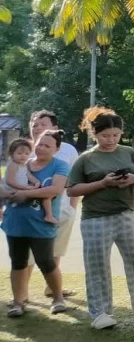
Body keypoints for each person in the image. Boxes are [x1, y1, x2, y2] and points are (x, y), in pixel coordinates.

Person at [66, 107, 134, 330]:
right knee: (97, 266)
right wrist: (102, 183)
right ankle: (100, 312)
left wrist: (132, 178)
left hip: (125, 214)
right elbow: (72, 190)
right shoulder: (86, 159)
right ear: (94, 134)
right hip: (95, 218)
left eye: (115, 135)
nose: (111, 140)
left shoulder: (129, 152)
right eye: (105, 135)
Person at [3, 131, 70, 317]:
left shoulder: (60, 165)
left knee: (46, 261)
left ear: (56, 149)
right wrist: (9, 194)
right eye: (40, 144)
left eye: (47, 146)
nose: (41, 148)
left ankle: (58, 298)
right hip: (16, 222)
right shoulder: (21, 163)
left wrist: (26, 194)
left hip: (42, 224)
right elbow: (5, 185)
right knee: (18, 262)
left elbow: (56, 189)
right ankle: (18, 302)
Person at [29, 110, 80, 298]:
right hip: (29, 212)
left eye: (43, 124)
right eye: (34, 124)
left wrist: (72, 208)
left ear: (55, 128)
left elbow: (75, 179)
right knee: (27, 254)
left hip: (62, 210)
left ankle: (52, 287)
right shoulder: (23, 149)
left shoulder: (68, 150)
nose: (38, 127)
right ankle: (21, 294)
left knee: (56, 250)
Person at [5, 139, 56, 224]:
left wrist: (37, 182)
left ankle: (48, 215)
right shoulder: (13, 165)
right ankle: (48, 215)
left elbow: (29, 175)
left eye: (26, 154)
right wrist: (26, 188)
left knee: (45, 193)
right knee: (43, 196)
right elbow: (10, 181)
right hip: (14, 191)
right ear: (11, 153)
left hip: (24, 189)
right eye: (19, 153)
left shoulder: (23, 165)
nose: (23, 156)